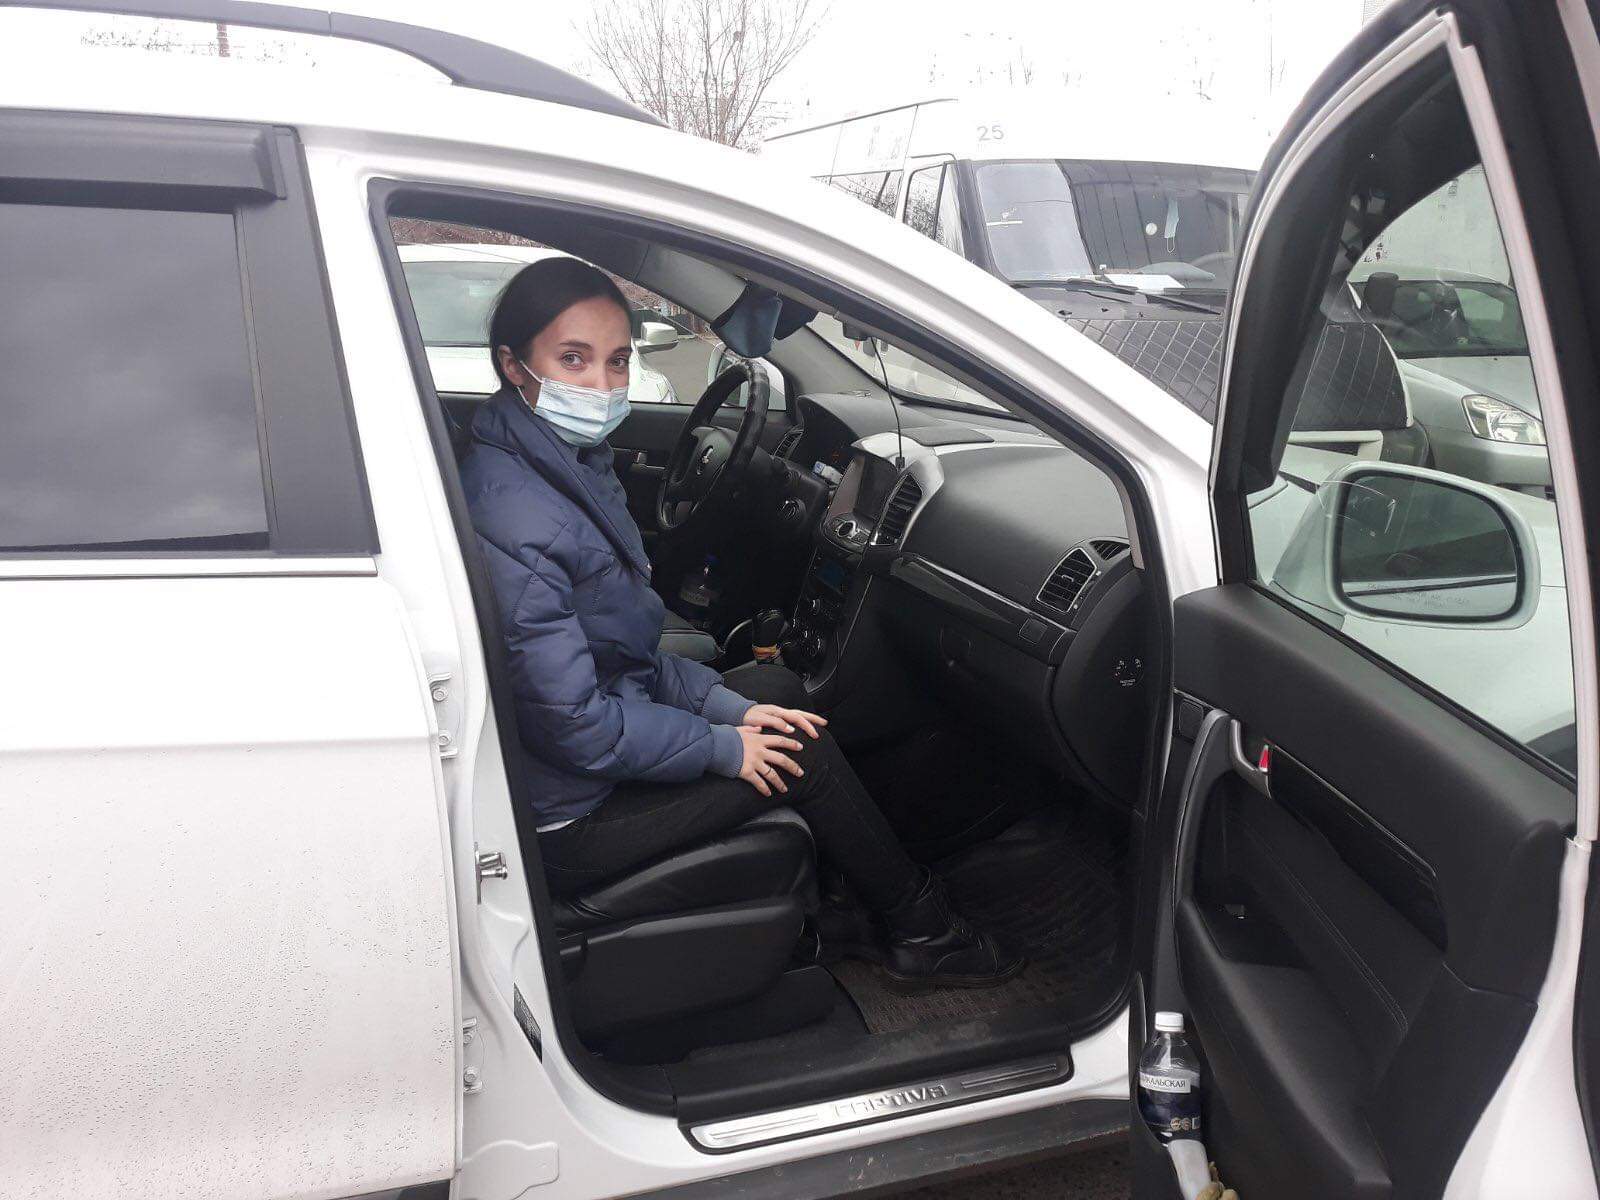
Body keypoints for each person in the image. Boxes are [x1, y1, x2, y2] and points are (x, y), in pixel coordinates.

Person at [458, 256, 1021, 989]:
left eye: (618, 361)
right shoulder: (521, 518)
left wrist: (733, 709)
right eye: (573, 359)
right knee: (799, 755)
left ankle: (846, 900)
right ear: (514, 366)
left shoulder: (559, 463)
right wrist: (723, 746)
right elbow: (575, 727)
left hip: (567, 761)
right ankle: (927, 933)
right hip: (567, 817)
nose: (602, 385)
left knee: (775, 689)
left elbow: (622, 661)